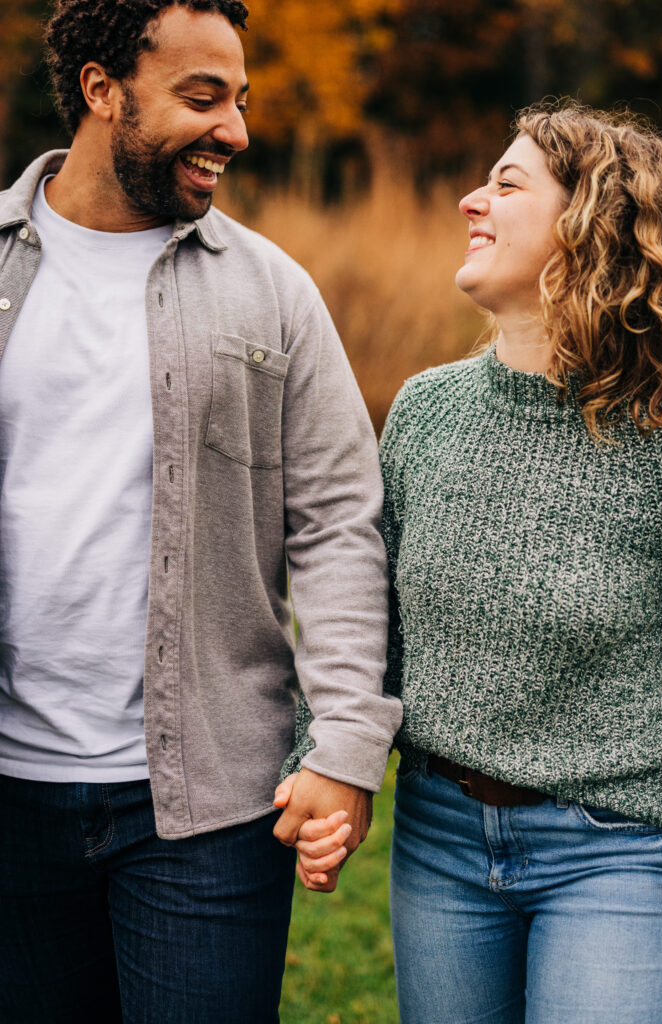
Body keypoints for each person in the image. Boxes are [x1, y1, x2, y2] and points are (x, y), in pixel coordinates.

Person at [0, 1, 402, 1021]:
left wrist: (346, 743)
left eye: (241, 99)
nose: (236, 129)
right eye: (201, 96)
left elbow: (337, 526)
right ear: (102, 91)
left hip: (206, 810)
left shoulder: (273, 292)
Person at [285, 101, 662, 1023]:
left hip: (619, 852)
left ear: (593, 225)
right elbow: (363, 614)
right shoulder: (426, 412)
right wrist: (329, 763)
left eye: (507, 185)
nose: (471, 199)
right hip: (441, 844)